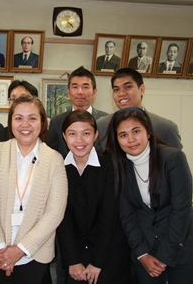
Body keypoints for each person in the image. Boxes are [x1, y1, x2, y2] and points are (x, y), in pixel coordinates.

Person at [104, 107, 193, 284]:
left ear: (149, 132)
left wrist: (166, 256)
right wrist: (142, 253)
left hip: (184, 249)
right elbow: (126, 215)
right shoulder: (119, 167)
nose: (131, 140)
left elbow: (180, 210)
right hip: (146, 251)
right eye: (123, 135)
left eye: (136, 131)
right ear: (117, 140)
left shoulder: (173, 158)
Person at [0, 95, 68, 284]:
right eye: (18, 118)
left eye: (32, 118)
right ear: (10, 122)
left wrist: (20, 249)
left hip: (34, 253)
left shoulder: (54, 159)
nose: (25, 124)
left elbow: (55, 211)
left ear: (43, 122)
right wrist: (1, 249)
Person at [56, 110, 133, 284]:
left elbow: (109, 217)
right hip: (74, 259)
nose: (79, 140)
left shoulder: (110, 166)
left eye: (86, 133)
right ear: (64, 136)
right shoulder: (59, 168)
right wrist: (73, 260)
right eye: (72, 134)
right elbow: (62, 219)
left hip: (108, 257)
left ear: (96, 135)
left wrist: (97, 262)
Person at [96, 68, 182, 151]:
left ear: (142, 89)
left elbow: (175, 162)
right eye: (116, 89)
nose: (121, 93)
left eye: (128, 87)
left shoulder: (166, 128)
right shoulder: (102, 125)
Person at [49, 66, 108, 158]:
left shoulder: (106, 121)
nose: (80, 92)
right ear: (68, 92)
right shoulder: (57, 122)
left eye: (85, 87)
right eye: (75, 87)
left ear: (94, 92)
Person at [0, 80, 58, 150]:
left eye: (23, 98)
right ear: (9, 104)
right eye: (14, 99)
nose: (18, 103)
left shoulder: (50, 138)